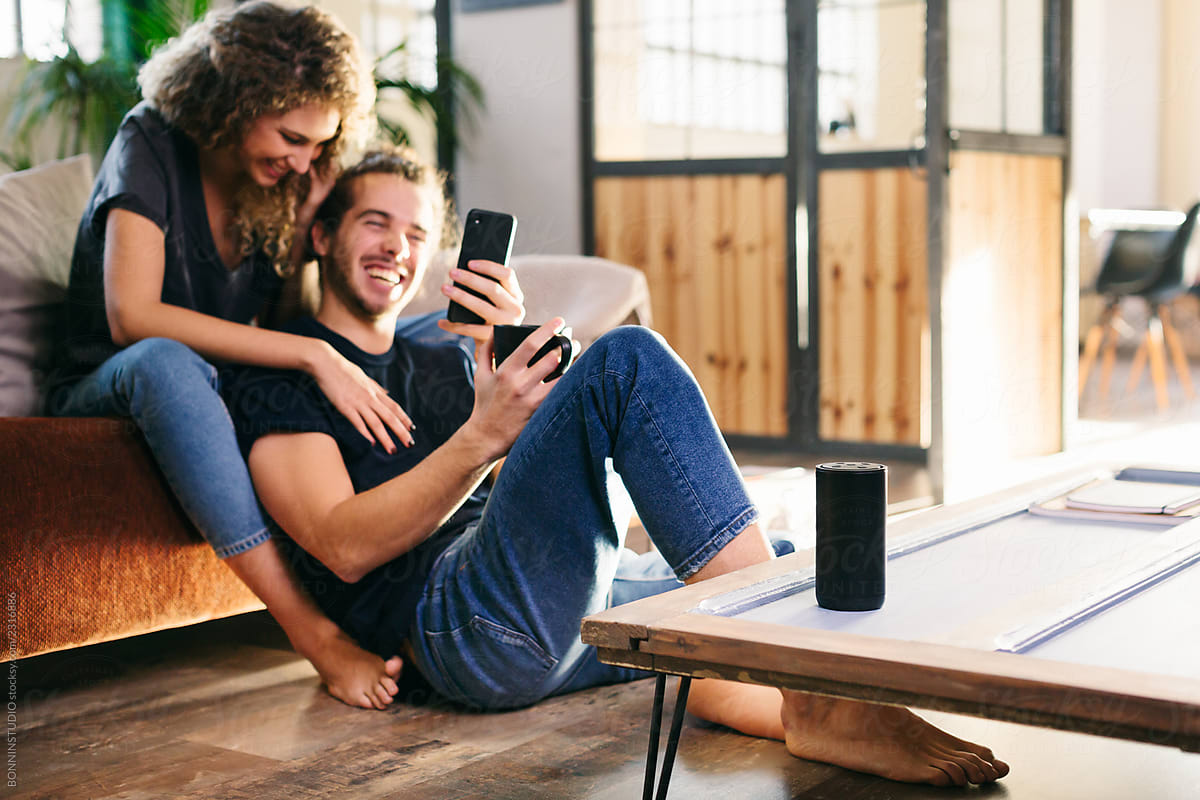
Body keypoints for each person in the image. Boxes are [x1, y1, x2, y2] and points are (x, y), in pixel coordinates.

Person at [225, 147, 1011, 787]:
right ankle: (818, 697)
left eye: (416, 231)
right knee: (626, 361)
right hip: (459, 625)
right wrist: (482, 437)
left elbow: (539, 507)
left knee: (776, 576)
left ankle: (810, 715)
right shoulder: (283, 376)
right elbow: (342, 544)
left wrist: (501, 360)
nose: (396, 246)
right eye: (373, 223)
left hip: (553, 607)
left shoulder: (439, 358)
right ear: (323, 236)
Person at [46, 2, 412, 709]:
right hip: (108, 381)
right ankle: (312, 634)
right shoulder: (148, 142)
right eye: (290, 136)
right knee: (166, 362)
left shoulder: (291, 177)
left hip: (212, 382)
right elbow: (133, 317)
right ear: (236, 100)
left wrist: (326, 228)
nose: (304, 159)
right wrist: (312, 355)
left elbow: (301, 306)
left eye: (320, 142)